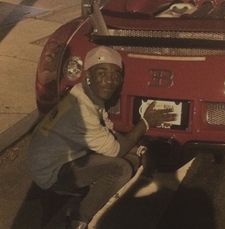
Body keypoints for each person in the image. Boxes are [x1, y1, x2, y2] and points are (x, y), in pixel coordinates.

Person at [28, 46, 176, 229]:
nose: (109, 81)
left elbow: (110, 133)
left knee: (131, 158)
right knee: (120, 169)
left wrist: (138, 149)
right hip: (51, 172)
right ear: (87, 75)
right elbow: (115, 149)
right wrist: (145, 123)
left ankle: (90, 197)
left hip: (61, 159)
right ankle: (79, 219)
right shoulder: (81, 110)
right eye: (101, 73)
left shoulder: (84, 95)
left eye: (115, 75)